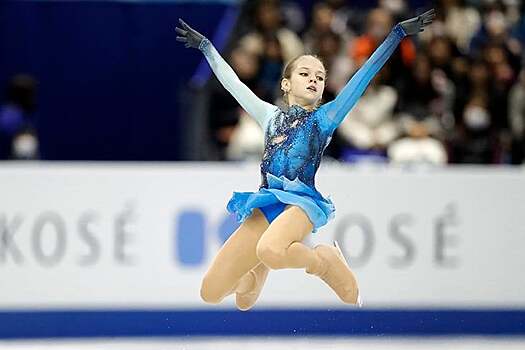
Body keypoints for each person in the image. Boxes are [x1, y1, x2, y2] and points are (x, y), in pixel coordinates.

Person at [175, 9, 435, 311]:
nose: (314, 79)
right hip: (266, 203)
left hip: (300, 204)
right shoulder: (269, 116)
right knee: (215, 293)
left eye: (320, 77)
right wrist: (207, 47)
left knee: (271, 250)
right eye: (305, 73)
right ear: (286, 84)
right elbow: (234, 85)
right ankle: (253, 277)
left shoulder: (325, 118)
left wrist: (395, 36)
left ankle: (325, 262)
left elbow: (363, 77)